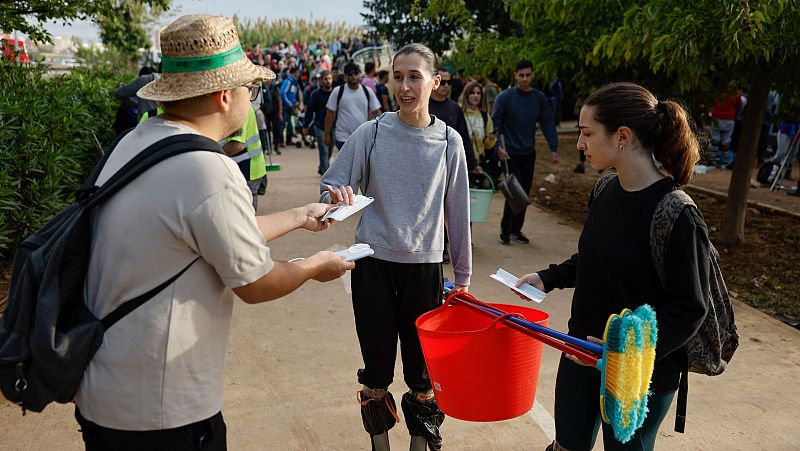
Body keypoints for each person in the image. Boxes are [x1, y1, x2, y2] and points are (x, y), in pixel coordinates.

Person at [73, 14, 354, 450]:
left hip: (108, 394)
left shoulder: (139, 141)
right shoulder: (208, 169)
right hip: (163, 411)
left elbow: (211, 234)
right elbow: (256, 283)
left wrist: (300, 215)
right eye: (251, 89)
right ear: (226, 96)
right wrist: (315, 265)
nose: (252, 100)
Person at [515, 82, 709, 451]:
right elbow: (595, 257)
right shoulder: (604, 189)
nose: (579, 143)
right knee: (566, 445)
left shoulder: (677, 214)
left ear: (622, 136)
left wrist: (622, 348)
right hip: (579, 353)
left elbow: (690, 309)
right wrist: (548, 277)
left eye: (587, 133)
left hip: (637, 374)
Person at [320, 43, 472, 451]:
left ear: (435, 82)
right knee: (375, 371)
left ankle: (420, 445)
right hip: (373, 264)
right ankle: (379, 446)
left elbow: (457, 212)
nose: (404, 86)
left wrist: (463, 276)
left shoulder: (448, 142)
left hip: (424, 270)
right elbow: (332, 183)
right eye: (397, 77)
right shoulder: (371, 133)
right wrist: (338, 193)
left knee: (423, 375)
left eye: (414, 77)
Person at [492, 59, 559, 245]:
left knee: (525, 191)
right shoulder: (505, 97)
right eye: (521, 75)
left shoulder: (539, 98)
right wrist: (498, 146)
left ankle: (516, 230)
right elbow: (495, 123)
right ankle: (505, 229)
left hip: (529, 152)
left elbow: (547, 123)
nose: (524, 78)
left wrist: (554, 149)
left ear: (533, 74)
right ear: (515, 75)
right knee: (515, 190)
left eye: (528, 75)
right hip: (509, 152)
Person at [429, 69, 480, 262]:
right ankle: (437, 245)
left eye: (449, 83)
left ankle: (449, 246)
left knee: (451, 206)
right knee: (433, 207)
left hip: (450, 166)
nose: (446, 87)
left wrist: (473, 163)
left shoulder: (454, 109)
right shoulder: (423, 105)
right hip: (428, 168)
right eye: (443, 83)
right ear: (434, 83)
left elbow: (463, 139)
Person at [324, 61, 381, 150]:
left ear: (360, 75)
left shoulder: (368, 91)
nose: (353, 76)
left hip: (362, 137)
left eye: (356, 73)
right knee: (347, 163)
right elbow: (330, 115)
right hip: (343, 137)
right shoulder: (338, 91)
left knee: (361, 163)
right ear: (345, 76)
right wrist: (326, 134)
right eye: (350, 74)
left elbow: (377, 112)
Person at [459, 81, 497, 186]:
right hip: (460, 163)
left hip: (478, 164)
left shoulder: (485, 117)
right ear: (467, 95)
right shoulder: (459, 114)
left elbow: (487, 145)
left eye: (478, 93)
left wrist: (491, 139)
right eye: (472, 93)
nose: (476, 96)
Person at [303, 70, 335, 175]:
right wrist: (305, 126)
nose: (328, 81)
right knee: (324, 150)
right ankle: (326, 176)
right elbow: (309, 110)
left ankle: (322, 166)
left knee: (330, 149)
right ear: (321, 81)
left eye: (329, 79)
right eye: (325, 79)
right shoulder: (316, 94)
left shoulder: (335, 93)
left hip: (333, 126)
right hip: (320, 126)